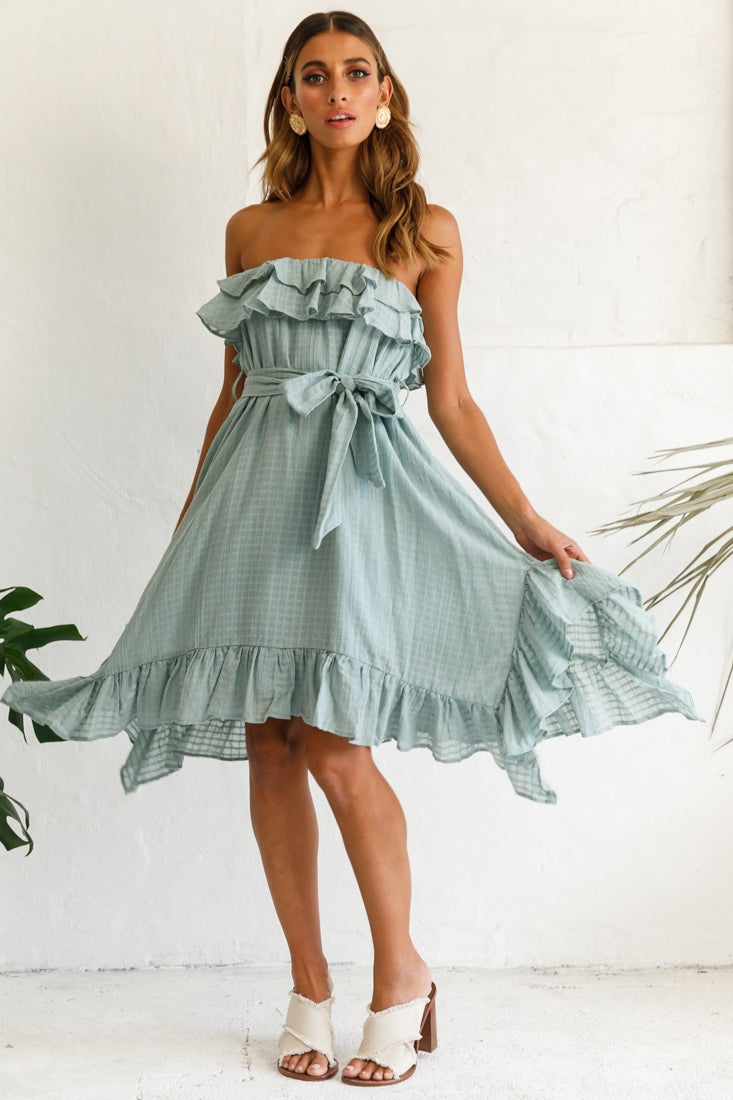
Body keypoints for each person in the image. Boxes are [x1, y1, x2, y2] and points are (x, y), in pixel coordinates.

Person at [3, 9, 699, 1088]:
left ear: (384, 95)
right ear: (289, 100)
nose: (336, 91)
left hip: (359, 500)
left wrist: (524, 518)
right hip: (249, 502)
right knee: (270, 741)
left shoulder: (425, 229)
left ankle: (400, 975)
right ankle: (306, 987)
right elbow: (234, 389)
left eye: (356, 72)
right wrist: (191, 525)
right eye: (314, 75)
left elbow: (450, 399)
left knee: (333, 742)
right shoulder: (250, 230)